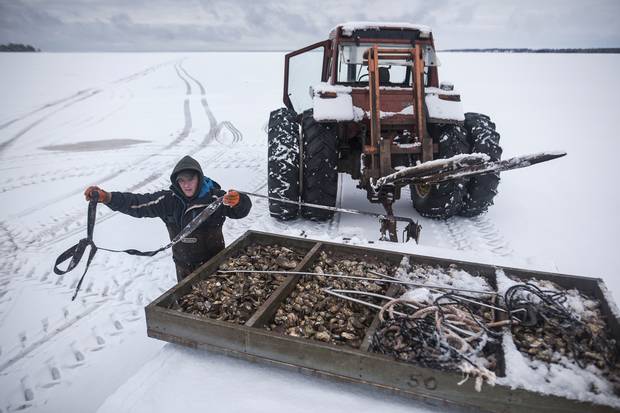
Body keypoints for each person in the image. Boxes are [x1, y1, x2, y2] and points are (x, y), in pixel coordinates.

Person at [84, 155, 252, 282]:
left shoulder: (216, 197)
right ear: (176, 181)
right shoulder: (168, 201)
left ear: (199, 178)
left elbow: (241, 211)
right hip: (183, 268)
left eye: (191, 179)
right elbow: (137, 204)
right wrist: (108, 198)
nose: (186, 185)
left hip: (215, 265)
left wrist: (239, 201)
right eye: (182, 180)